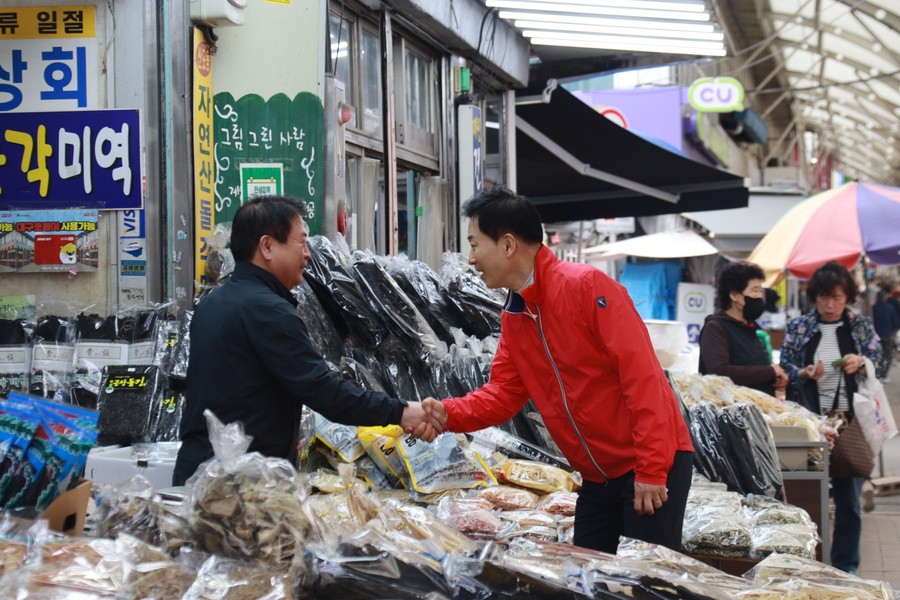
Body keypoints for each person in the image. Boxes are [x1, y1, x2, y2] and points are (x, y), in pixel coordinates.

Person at [417, 184, 695, 555]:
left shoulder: (586, 286)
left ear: (508, 244)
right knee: (585, 580)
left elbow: (642, 379)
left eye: (474, 243)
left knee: (646, 585)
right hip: (598, 475)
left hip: (649, 462)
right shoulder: (515, 315)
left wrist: (650, 470)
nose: (470, 258)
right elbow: (503, 394)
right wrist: (446, 413)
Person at [174, 195, 438, 484]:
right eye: (301, 241)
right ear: (267, 246)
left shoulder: (214, 302)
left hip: (201, 472)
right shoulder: (267, 309)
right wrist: (400, 412)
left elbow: (241, 389)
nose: (308, 254)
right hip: (237, 487)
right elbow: (323, 392)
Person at [779, 260, 884, 575]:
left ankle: (845, 566)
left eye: (837, 298)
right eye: (824, 298)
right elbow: (784, 366)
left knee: (848, 497)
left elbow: (880, 356)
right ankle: (804, 561)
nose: (830, 305)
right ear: (814, 297)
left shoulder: (860, 326)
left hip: (847, 419)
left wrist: (861, 361)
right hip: (809, 420)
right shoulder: (800, 326)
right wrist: (803, 373)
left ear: (847, 297)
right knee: (805, 494)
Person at [698, 261, 788, 396]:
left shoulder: (751, 327)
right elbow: (719, 372)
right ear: (734, 295)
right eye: (754, 290)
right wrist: (770, 371)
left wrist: (773, 377)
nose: (759, 297)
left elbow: (753, 366)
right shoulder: (715, 328)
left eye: (760, 291)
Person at [872, 285, 900, 382]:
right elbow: (896, 322)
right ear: (885, 298)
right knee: (887, 355)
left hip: (876, 335)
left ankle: (877, 372)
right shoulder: (890, 308)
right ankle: (884, 374)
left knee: (877, 355)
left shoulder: (873, 308)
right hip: (887, 334)